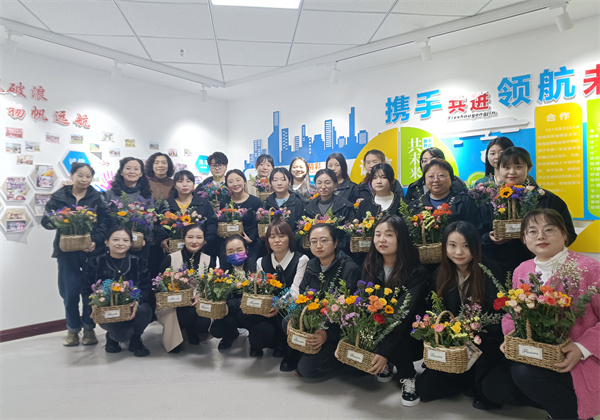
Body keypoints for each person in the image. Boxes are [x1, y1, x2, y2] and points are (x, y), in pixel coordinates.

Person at [481, 208, 600, 420]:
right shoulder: (522, 270)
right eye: (532, 231)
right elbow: (512, 313)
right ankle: (560, 403)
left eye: (549, 229)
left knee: (524, 374)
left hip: (575, 358)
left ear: (565, 234)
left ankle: (570, 413)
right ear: (524, 239)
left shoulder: (589, 269)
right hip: (534, 353)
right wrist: (511, 337)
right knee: (493, 388)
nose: (541, 236)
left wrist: (582, 348)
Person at [415, 221, 505, 409]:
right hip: (453, 347)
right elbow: (435, 312)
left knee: (489, 393)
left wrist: (470, 328)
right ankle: (465, 379)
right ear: (444, 247)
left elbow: (499, 320)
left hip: (484, 345)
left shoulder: (491, 272)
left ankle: (473, 380)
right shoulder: (439, 274)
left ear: (476, 246)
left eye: (466, 246)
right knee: (424, 389)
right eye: (452, 245)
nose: (459, 252)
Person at [361, 215, 429, 406]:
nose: (381, 240)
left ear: (402, 238)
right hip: (379, 327)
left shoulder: (417, 272)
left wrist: (383, 351)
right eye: (377, 234)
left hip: (409, 333)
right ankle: (388, 362)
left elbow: (402, 316)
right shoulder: (369, 266)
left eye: (389, 235)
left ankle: (408, 375)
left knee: (397, 326)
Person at [41, 162, 110, 347]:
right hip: (67, 253)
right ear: (72, 176)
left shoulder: (98, 197)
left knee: (90, 293)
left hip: (92, 253)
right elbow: (46, 221)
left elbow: (106, 221)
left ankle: (89, 328)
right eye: (80, 175)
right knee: (70, 293)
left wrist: (94, 240)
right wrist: (61, 219)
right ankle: (72, 330)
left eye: (88, 176)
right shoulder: (59, 196)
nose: (84, 179)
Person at [482, 147, 577, 274]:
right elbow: (477, 235)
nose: (512, 172)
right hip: (499, 269)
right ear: (498, 169)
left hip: (542, 268)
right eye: (506, 167)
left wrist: (545, 241)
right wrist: (489, 238)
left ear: (529, 168)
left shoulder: (548, 200)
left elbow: (569, 234)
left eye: (518, 167)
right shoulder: (489, 202)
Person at [294, 224, 361, 378]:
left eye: (324, 240)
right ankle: (308, 350)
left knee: (306, 369)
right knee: (287, 321)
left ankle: (343, 360)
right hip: (316, 323)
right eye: (314, 241)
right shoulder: (312, 264)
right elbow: (303, 295)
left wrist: (327, 334)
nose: (318, 245)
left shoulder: (350, 269)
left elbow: (351, 316)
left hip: (337, 331)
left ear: (335, 242)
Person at [84, 226, 153, 357]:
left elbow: (146, 287)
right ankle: (112, 337)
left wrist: (137, 301)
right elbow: (86, 289)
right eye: (115, 240)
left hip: (132, 309)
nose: (120, 243)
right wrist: (93, 304)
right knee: (123, 335)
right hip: (107, 311)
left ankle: (136, 339)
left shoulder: (139, 262)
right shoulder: (95, 262)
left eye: (125, 240)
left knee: (145, 309)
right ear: (106, 242)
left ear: (131, 243)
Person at [256, 219, 309, 371]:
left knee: (289, 310)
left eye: (282, 236)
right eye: (272, 237)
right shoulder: (261, 262)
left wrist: (277, 305)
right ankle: (276, 341)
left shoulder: (301, 259)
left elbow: (295, 291)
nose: (277, 240)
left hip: (291, 307)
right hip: (270, 309)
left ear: (290, 238)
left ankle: (291, 350)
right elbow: (262, 290)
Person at [156, 223, 216, 353]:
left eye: (199, 237)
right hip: (175, 303)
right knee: (185, 314)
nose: (194, 241)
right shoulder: (171, 258)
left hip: (198, 301)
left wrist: (201, 295)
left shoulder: (208, 260)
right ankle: (175, 336)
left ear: (204, 240)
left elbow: (211, 285)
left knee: (203, 321)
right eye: (190, 237)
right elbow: (159, 283)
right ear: (183, 239)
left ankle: (191, 329)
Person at [209, 235, 257, 351]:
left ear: (246, 250)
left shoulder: (255, 267)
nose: (235, 254)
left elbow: (254, 297)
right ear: (225, 253)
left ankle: (253, 338)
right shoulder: (222, 271)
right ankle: (231, 334)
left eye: (239, 250)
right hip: (229, 313)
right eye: (230, 251)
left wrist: (232, 304)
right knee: (216, 329)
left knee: (246, 316)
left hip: (249, 311)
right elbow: (220, 297)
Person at [408, 159, 483, 234]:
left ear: (451, 178)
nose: (436, 180)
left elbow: (476, 231)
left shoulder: (465, 201)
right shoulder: (415, 205)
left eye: (441, 175)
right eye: (431, 176)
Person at [160, 170, 218, 257]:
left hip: (201, 250)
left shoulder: (203, 203)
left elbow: (212, 224)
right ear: (175, 185)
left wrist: (205, 240)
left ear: (193, 184)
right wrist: (163, 240)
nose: (185, 185)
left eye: (188, 181)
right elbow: (159, 226)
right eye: (180, 181)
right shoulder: (166, 204)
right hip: (174, 251)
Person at [145, 152, 175, 278]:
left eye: (164, 162)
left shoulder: (174, 184)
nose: (160, 165)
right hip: (149, 230)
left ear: (169, 166)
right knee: (150, 266)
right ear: (151, 165)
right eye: (156, 162)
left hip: (169, 230)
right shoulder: (145, 183)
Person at [220, 169, 261, 260]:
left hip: (250, 243)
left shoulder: (255, 201)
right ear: (227, 185)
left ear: (245, 181)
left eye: (238, 180)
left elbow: (257, 223)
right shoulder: (224, 203)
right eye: (231, 182)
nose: (235, 184)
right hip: (230, 245)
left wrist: (250, 239)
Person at [262, 168, 305, 233]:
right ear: (271, 183)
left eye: (283, 180)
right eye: (275, 180)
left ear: (289, 182)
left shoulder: (298, 202)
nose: (279, 183)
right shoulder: (267, 203)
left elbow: (301, 227)